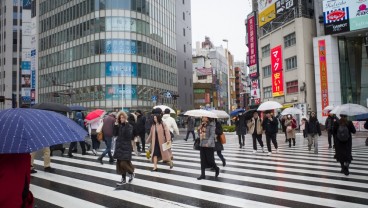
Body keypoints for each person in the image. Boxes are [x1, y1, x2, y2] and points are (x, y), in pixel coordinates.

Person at [113, 112, 135, 185]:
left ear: (125, 118)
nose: (121, 119)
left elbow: (128, 135)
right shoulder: (118, 126)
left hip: (126, 147)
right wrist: (115, 126)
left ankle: (131, 173)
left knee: (124, 163)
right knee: (119, 164)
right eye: (120, 117)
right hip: (119, 146)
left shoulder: (129, 126)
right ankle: (123, 179)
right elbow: (114, 134)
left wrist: (126, 124)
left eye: (122, 117)